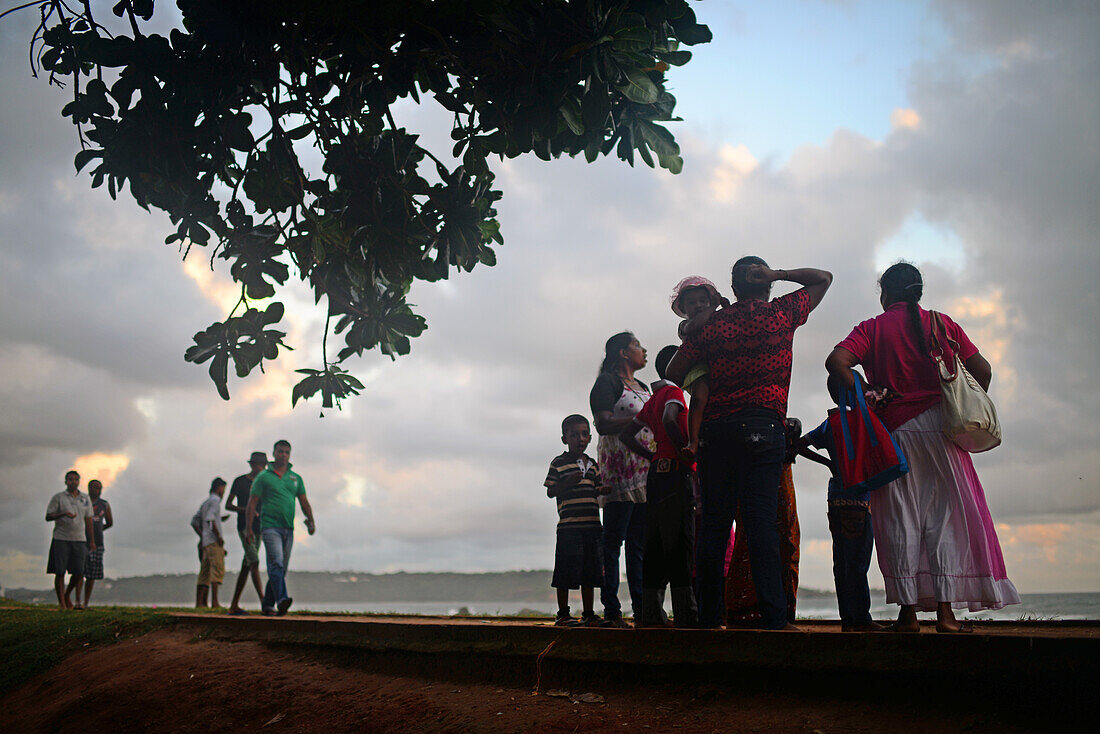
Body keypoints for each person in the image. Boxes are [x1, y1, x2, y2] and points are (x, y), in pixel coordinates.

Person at [825, 262, 1019, 632]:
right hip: (943, 432)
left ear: (885, 293)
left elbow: (836, 361)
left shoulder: (872, 327)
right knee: (944, 521)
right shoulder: (942, 324)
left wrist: (868, 393)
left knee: (900, 520)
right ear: (918, 291)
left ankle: (908, 615)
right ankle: (946, 616)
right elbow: (985, 371)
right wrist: (958, 404)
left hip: (894, 434)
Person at [668, 257, 832, 630]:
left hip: (716, 431)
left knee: (714, 524)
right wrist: (781, 275)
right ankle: (775, 619)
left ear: (733, 289)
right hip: (762, 426)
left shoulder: (712, 325)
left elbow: (673, 372)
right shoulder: (781, 313)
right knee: (760, 524)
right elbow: (823, 278)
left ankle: (709, 620)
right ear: (764, 284)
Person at [798, 374, 888, 632]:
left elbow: (800, 444)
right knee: (858, 563)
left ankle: (848, 618)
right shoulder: (862, 422)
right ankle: (861, 620)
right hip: (858, 501)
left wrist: (828, 463)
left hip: (835, 499)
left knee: (841, 562)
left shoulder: (832, 422)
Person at [620, 345, 698, 628]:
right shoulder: (674, 392)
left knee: (654, 542)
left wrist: (652, 455)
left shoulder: (653, 398)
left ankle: (651, 613)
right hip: (677, 472)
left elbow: (627, 435)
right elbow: (669, 419)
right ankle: (686, 613)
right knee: (680, 540)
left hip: (655, 475)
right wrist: (684, 449)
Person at [589, 332, 653, 627]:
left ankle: (642, 609)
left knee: (639, 543)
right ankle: (612, 611)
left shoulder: (643, 386)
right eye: (637, 345)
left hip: (645, 469)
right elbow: (602, 424)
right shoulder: (607, 382)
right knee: (613, 540)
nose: (643, 350)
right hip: (619, 470)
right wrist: (642, 420)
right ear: (623, 353)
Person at [723, 420, 802, 626]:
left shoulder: (780, 422)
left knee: (782, 539)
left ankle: (771, 612)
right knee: (758, 539)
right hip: (758, 472)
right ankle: (754, 612)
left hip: (774, 472)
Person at [544, 415, 604, 627]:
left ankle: (588, 613)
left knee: (590, 571)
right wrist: (567, 483)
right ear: (564, 439)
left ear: (590, 437)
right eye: (574, 435)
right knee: (566, 571)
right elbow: (551, 491)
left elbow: (596, 488)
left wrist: (602, 490)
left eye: (584, 434)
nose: (580, 438)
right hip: (569, 527)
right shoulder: (559, 463)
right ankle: (563, 614)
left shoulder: (593, 464)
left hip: (592, 526)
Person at [246, 440, 316, 617]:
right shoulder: (264, 477)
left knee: (281, 569)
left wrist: (311, 520)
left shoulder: (295, 478)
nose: (283, 455)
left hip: (288, 528)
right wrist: (249, 529)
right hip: (270, 527)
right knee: (276, 563)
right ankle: (282, 600)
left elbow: (303, 501)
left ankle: (267, 604)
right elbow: (252, 503)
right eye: (280, 452)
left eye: (287, 452)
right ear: (274, 453)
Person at [668, 276, 727, 457]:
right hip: (697, 369)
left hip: (716, 365)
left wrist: (725, 306)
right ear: (684, 309)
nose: (699, 305)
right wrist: (712, 307)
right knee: (699, 397)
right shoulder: (685, 325)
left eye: (703, 300)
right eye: (692, 303)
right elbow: (697, 326)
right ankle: (693, 441)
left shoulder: (714, 317)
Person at [45, 470, 95, 609]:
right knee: (60, 571)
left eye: (75, 479)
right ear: (66, 481)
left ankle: (67, 594)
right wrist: (63, 514)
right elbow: (48, 516)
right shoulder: (59, 498)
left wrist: (91, 541)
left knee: (79, 571)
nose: (73, 481)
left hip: (79, 539)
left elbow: (89, 520)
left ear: (79, 481)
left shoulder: (85, 498)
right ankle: (62, 603)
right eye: (70, 479)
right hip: (61, 538)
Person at [226, 451, 268, 615]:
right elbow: (228, 505)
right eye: (259, 465)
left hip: (261, 527)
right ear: (252, 465)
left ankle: (234, 605)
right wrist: (246, 510)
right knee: (254, 562)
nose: (261, 468)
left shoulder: (265, 483)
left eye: (263, 465)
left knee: (247, 565)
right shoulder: (240, 482)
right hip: (245, 527)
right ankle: (264, 602)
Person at [71, 479, 112, 608]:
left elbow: (110, 522)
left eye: (99, 488)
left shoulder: (104, 505)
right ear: (89, 488)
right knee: (79, 572)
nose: (97, 490)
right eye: (94, 487)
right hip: (82, 541)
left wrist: (97, 530)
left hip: (98, 543)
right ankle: (77, 601)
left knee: (92, 575)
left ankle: (86, 602)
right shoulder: (82, 502)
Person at [195, 478, 227, 608]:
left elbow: (195, 521)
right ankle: (215, 602)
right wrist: (218, 536)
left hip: (206, 542)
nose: (224, 492)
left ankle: (200, 603)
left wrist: (203, 535)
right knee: (217, 570)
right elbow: (209, 519)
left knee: (205, 572)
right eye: (223, 489)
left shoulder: (205, 503)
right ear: (219, 488)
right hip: (213, 541)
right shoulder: (215, 501)